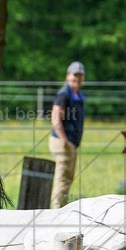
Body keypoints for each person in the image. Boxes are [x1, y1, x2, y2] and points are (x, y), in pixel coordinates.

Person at [49, 61, 86, 208]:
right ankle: (57, 211)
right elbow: (55, 117)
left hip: (70, 142)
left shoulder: (78, 96)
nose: (77, 78)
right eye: (74, 75)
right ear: (68, 76)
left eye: (80, 75)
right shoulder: (64, 94)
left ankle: (61, 208)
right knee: (62, 178)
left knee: (68, 178)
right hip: (63, 141)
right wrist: (63, 138)